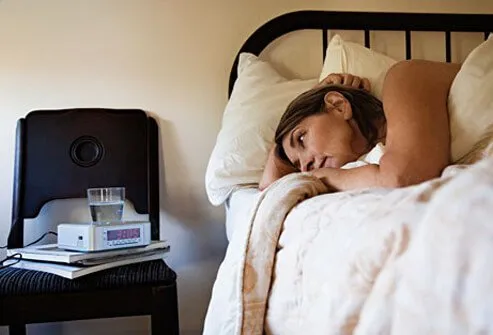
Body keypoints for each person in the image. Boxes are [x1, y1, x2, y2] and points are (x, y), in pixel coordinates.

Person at [260, 60, 461, 191]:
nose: (306, 167)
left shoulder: (405, 76)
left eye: (301, 139)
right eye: (298, 165)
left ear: (338, 106)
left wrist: (325, 176)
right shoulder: (372, 161)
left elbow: (402, 178)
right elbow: (269, 194)